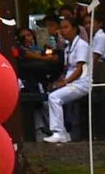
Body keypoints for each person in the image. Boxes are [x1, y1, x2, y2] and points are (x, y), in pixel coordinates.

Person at [40, 12, 98, 143]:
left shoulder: (82, 45)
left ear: (75, 29)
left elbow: (79, 69)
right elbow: (67, 68)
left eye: (66, 27)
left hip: (82, 83)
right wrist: (57, 82)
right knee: (50, 94)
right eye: (61, 28)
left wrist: (64, 83)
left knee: (54, 98)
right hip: (72, 82)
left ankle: (58, 132)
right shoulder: (68, 46)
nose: (63, 31)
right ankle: (64, 133)